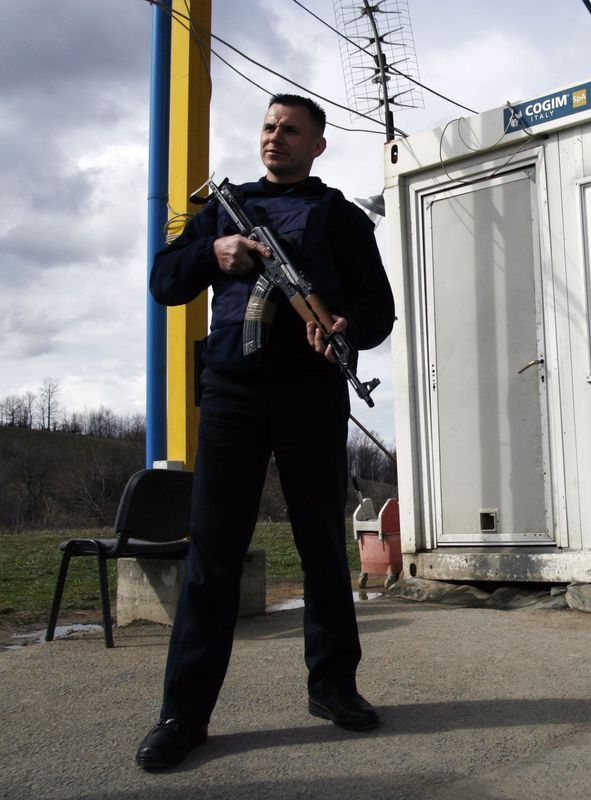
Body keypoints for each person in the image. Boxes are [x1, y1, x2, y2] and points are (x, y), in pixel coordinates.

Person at [137, 94, 395, 770]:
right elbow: (164, 281)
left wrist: (344, 326)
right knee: (214, 556)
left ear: (317, 146)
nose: (274, 138)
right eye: (268, 127)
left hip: (310, 394)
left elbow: (379, 310)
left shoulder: (340, 219)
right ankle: (182, 714)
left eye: (291, 130)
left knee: (320, 547)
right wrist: (213, 254)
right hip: (230, 396)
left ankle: (334, 687)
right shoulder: (223, 209)